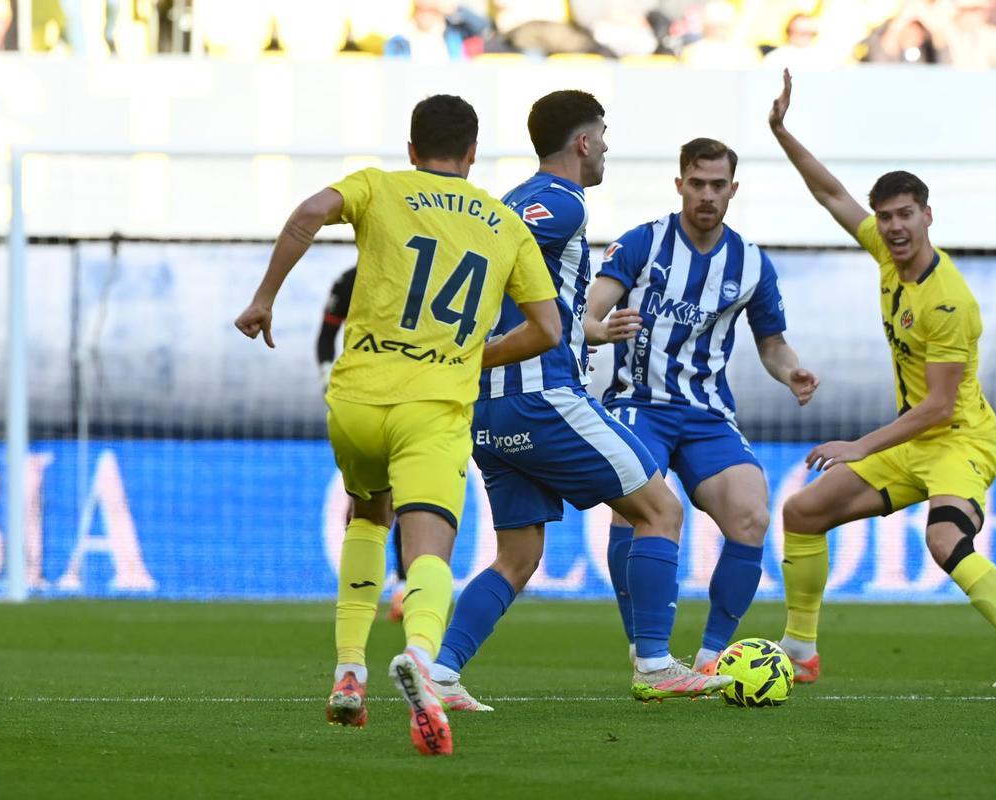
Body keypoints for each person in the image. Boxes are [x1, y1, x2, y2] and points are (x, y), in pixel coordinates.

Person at [235, 94, 562, 755]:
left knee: (367, 513)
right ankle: (418, 654)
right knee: (428, 551)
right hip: (432, 409)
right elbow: (548, 330)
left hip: (354, 402)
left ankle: (348, 670)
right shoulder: (504, 224)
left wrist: (264, 298)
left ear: (412, 150)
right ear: (473, 153)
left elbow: (308, 215)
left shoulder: (378, 186)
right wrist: (473, 354)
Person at [427, 90, 733, 713]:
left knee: (519, 554)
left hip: (487, 406)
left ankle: (441, 670)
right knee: (660, 510)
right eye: (604, 136)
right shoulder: (557, 202)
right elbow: (500, 242)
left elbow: (507, 282)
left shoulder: (514, 201)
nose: (607, 149)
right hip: (539, 395)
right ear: (584, 142)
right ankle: (654, 662)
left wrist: (583, 330)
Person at [767, 70, 996, 689]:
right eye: (886, 216)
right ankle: (800, 650)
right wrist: (782, 133)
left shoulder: (947, 301)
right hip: (913, 442)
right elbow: (831, 195)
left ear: (928, 215)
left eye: (906, 214)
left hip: (958, 439)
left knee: (944, 539)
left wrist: (858, 445)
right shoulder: (886, 251)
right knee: (802, 513)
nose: (895, 227)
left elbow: (936, 407)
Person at [582, 137, 819, 676]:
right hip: (638, 404)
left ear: (733, 190)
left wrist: (792, 371)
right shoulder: (642, 243)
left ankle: (712, 659)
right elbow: (591, 308)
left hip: (708, 413)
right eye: (697, 184)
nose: (707, 195)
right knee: (638, 511)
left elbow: (772, 343)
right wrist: (598, 329)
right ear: (680, 184)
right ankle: (644, 646)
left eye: (718, 185)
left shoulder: (751, 264)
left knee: (753, 516)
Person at [316, 265, 408, 623]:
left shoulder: (415, 273)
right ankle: (367, 590)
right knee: (366, 506)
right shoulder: (350, 280)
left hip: (407, 397)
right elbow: (325, 337)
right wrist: (328, 379)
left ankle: (402, 586)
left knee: (405, 500)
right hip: (358, 399)